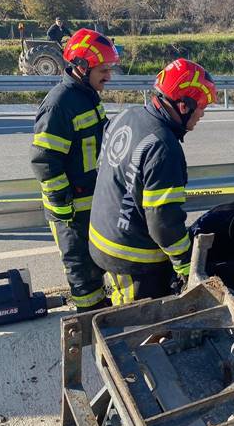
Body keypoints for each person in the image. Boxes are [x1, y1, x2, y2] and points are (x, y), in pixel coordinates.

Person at [89, 58, 217, 304]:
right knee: (142, 324)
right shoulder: (163, 146)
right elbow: (163, 223)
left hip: (103, 235)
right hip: (131, 258)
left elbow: (104, 167)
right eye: (201, 106)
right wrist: (185, 265)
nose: (202, 114)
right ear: (183, 105)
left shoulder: (128, 115)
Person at [30, 29, 119, 312]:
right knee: (81, 270)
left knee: (97, 263)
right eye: (103, 70)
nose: (108, 76)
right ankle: (90, 320)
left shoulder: (87, 96)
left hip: (91, 201)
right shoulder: (59, 104)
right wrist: (61, 205)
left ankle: (101, 311)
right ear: (82, 66)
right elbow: (44, 158)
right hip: (70, 209)